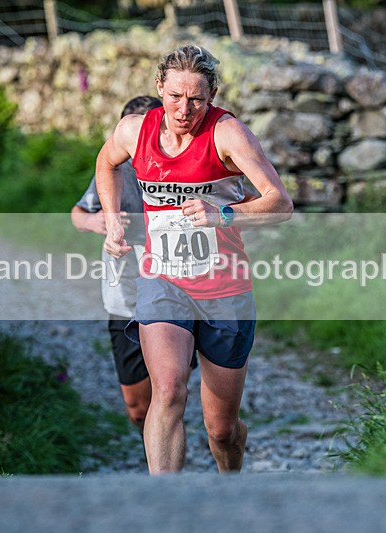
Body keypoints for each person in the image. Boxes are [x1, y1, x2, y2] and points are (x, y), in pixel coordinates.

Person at [95, 45, 293, 474]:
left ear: (212, 95)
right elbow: (106, 163)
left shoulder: (228, 134)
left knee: (221, 430)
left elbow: (280, 203)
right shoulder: (134, 130)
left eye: (197, 100)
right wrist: (112, 222)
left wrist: (223, 214)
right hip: (163, 280)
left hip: (225, 289)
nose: (184, 110)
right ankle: (168, 502)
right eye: (175, 97)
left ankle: (230, 479)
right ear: (159, 87)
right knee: (168, 390)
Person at [71, 95, 197, 434]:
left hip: (174, 292)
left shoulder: (183, 164)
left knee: (169, 392)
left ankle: (166, 448)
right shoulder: (115, 168)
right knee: (138, 409)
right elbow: (78, 213)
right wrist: (97, 221)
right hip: (124, 298)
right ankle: (155, 440)